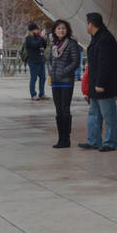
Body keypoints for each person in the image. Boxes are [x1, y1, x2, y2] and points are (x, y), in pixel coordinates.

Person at [79, 12, 117, 152]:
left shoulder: (105, 39)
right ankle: (93, 141)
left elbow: (106, 64)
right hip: (95, 85)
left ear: (91, 24)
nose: (86, 26)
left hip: (104, 86)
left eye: (87, 23)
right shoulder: (97, 38)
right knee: (94, 114)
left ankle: (110, 142)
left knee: (108, 115)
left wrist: (101, 84)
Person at [47, 19, 82, 150]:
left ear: (67, 30)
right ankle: (60, 137)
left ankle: (66, 138)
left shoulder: (72, 43)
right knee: (58, 110)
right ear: (55, 31)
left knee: (65, 109)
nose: (61, 30)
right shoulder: (54, 44)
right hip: (55, 81)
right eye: (58, 28)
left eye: (63, 28)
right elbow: (49, 60)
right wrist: (51, 71)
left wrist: (63, 72)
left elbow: (75, 62)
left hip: (66, 81)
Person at [24, 22, 48, 101]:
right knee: (34, 78)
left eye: (38, 29)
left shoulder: (38, 37)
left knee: (43, 78)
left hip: (41, 60)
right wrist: (41, 38)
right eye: (36, 29)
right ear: (31, 30)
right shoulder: (28, 38)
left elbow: (44, 46)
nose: (38, 31)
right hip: (33, 61)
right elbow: (35, 45)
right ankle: (33, 94)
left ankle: (42, 93)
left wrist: (44, 38)